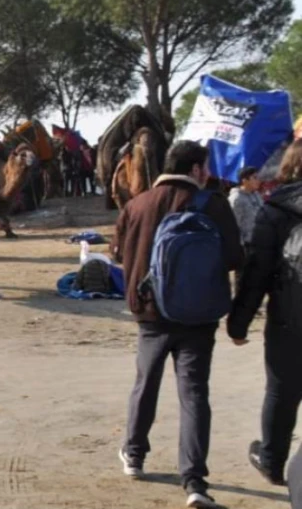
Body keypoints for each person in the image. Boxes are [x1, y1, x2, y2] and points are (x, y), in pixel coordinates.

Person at [112, 140, 243, 509]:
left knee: (145, 383)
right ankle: (195, 482)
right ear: (197, 170)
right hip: (200, 315)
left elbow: (118, 252)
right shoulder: (213, 205)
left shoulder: (137, 204)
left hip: (150, 313)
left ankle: (134, 456)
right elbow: (235, 257)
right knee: (195, 394)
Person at [229, 140, 302, 486]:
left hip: (290, 317)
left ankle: (272, 461)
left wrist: (238, 323)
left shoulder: (274, 210)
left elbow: (256, 273)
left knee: (281, 391)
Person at [228, 166, 263, 245]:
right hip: (247, 244)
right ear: (245, 180)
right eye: (255, 178)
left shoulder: (256, 194)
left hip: (260, 240)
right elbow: (234, 226)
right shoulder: (236, 199)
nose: (258, 181)